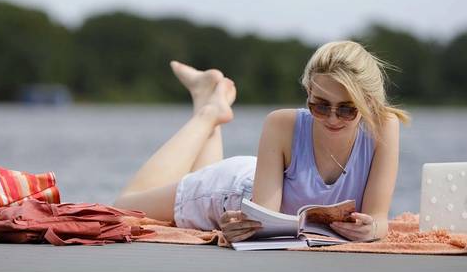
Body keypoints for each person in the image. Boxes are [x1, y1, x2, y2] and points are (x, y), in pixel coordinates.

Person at [113, 40, 410, 243]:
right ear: (307, 93)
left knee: (193, 176)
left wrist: (370, 230)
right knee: (124, 207)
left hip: (261, 176)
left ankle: (208, 96)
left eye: (346, 109)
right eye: (319, 106)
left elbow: (379, 219)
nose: (332, 118)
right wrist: (239, 228)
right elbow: (265, 220)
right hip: (228, 192)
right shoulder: (282, 123)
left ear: (368, 102)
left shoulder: (384, 127)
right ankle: (208, 113)